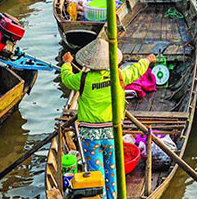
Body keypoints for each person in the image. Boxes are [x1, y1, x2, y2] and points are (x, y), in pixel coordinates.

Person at [60, 39, 155, 199]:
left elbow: (66, 78)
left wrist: (67, 63)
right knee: (112, 170)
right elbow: (136, 70)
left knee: (96, 173)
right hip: (112, 133)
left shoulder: (83, 79)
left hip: (90, 135)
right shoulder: (119, 76)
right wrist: (148, 59)